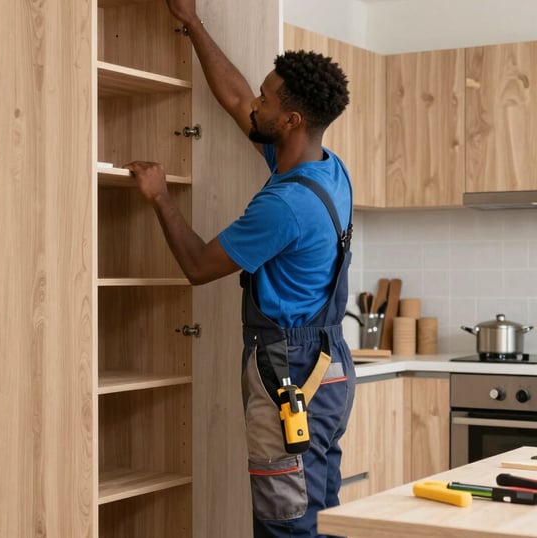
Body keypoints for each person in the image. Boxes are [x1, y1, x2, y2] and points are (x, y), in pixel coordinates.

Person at [124, 1, 355, 537]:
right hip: (328, 363)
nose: (255, 101)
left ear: (291, 120)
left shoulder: (284, 206)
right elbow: (234, 100)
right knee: (316, 508)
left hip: (289, 368)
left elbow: (199, 266)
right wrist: (192, 23)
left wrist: (160, 198)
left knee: (285, 522)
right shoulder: (325, 167)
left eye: (266, 98)